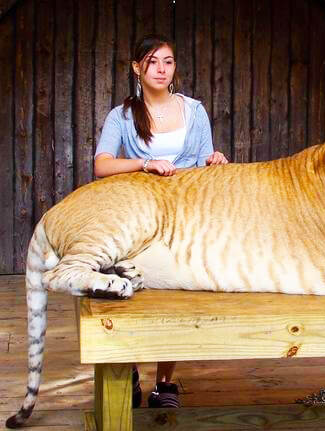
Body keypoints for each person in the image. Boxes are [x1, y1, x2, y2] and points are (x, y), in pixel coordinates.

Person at [94, 34, 228, 408]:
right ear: (137, 68)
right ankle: (131, 370)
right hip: (139, 212)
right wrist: (143, 163)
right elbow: (101, 164)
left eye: (167, 62)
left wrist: (213, 160)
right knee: (132, 293)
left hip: (184, 213)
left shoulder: (193, 110)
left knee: (176, 295)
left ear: (175, 68)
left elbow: (203, 159)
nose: (161, 69)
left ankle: (164, 384)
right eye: (152, 62)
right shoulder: (121, 115)